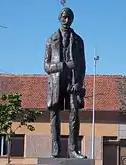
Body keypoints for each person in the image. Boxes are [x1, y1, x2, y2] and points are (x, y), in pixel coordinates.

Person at [44, 7, 86, 159]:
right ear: (59, 18)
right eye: (64, 17)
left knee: (74, 113)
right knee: (55, 114)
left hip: (73, 82)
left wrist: (79, 83)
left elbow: (82, 65)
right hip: (56, 82)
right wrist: (62, 65)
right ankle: (56, 148)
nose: (66, 20)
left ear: (72, 19)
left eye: (69, 17)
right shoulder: (51, 40)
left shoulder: (79, 41)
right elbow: (46, 66)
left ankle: (73, 150)